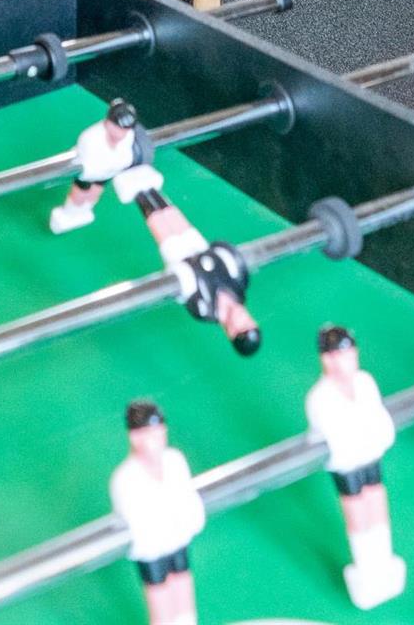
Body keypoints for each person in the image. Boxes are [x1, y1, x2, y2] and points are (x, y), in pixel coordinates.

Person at [306, 322, 407, 607]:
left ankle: (383, 560)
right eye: (340, 355)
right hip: (347, 461)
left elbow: (378, 417)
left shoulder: (365, 382)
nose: (348, 360)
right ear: (327, 359)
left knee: (376, 499)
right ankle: (366, 567)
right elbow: (336, 437)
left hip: (370, 453)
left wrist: (376, 437)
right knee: (357, 507)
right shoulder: (320, 398)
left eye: (351, 353)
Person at [113, 164, 260, 355]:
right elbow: (231, 259)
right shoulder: (239, 288)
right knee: (175, 219)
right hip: (201, 249)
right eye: (250, 321)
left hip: (181, 258)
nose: (245, 317)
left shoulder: (205, 309)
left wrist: (182, 276)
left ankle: (138, 193)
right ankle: (151, 189)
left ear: (231, 332)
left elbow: (186, 290)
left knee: (160, 224)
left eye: (243, 326)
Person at [110, 398, 208, 625]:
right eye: (150, 435)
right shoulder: (125, 478)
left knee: (182, 585)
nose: (157, 440)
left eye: (159, 433)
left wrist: (189, 520)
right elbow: (133, 522)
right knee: (159, 595)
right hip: (151, 548)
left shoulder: (174, 461)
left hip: (177, 537)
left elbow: (188, 497)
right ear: (135, 438)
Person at [51, 98, 146, 233]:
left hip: (107, 172)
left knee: (94, 193)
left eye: (125, 129)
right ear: (108, 122)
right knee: (79, 195)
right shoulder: (89, 137)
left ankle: (84, 211)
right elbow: (89, 166)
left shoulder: (129, 135)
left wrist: (118, 166)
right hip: (87, 173)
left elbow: (126, 156)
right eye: (118, 127)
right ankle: (70, 214)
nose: (121, 133)